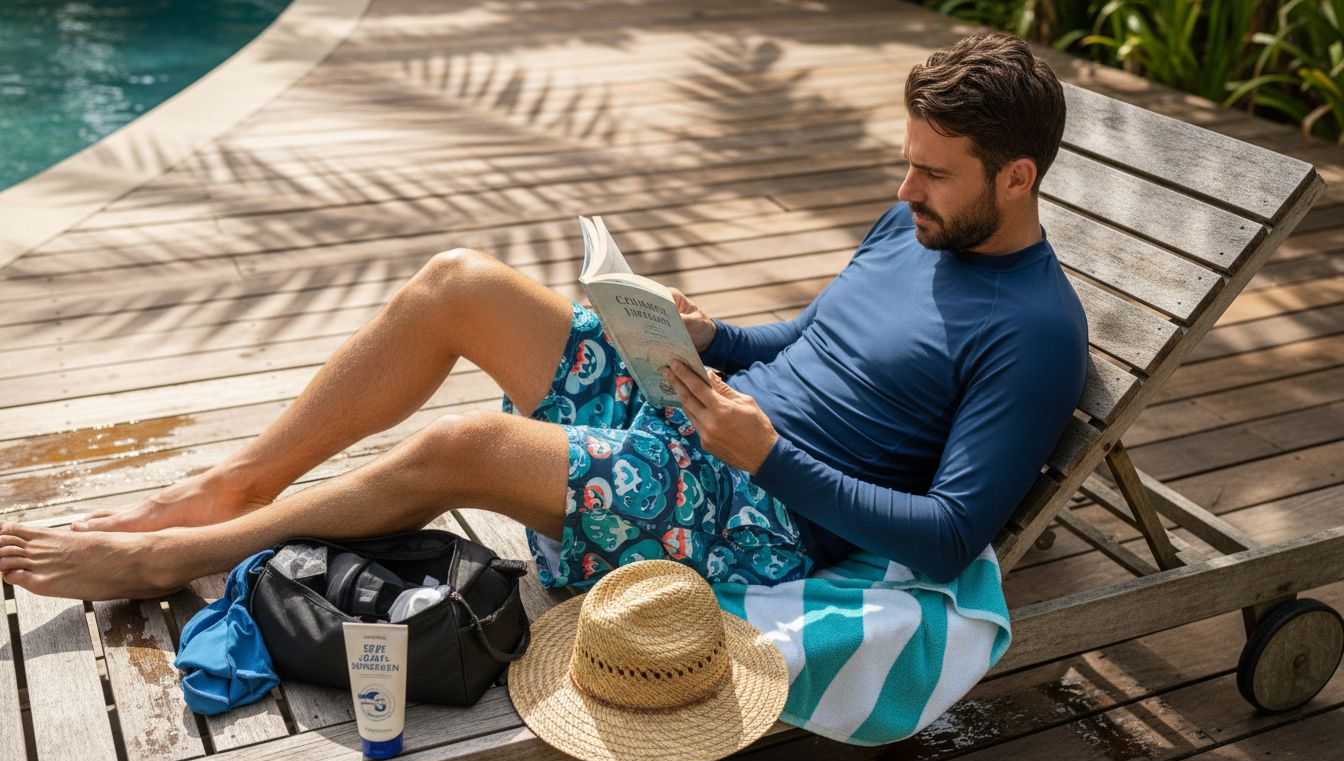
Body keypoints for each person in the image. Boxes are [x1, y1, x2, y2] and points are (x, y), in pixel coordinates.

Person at [0, 31, 1088, 601]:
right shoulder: (914, 225)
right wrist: (710, 340)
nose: (903, 191)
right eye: (905, 162)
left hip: (757, 519)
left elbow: (950, 540)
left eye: (932, 174)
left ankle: (171, 557)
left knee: (461, 444)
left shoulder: (1036, 334)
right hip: (707, 415)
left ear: (1017, 179)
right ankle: (232, 482)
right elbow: (806, 347)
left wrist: (766, 459)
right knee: (457, 280)